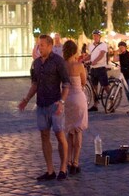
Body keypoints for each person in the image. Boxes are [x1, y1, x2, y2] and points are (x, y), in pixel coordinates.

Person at [18, 34, 71, 181]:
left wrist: (62, 101)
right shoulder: (36, 63)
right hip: (41, 104)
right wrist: (26, 99)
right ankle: (50, 170)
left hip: (55, 104)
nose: (39, 48)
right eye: (38, 45)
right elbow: (35, 84)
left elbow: (66, 83)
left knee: (60, 135)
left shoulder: (58, 61)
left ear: (50, 46)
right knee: (44, 136)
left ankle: (63, 168)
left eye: (42, 45)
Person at [62, 40, 87, 175]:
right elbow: (84, 81)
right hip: (78, 97)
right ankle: (75, 163)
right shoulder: (79, 65)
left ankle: (68, 161)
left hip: (67, 99)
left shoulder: (62, 66)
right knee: (78, 130)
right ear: (75, 51)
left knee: (70, 131)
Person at [87, 30, 108, 112]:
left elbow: (102, 54)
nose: (95, 37)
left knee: (105, 86)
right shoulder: (91, 45)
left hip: (101, 68)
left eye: (97, 36)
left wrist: (95, 61)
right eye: (94, 35)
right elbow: (90, 55)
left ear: (99, 37)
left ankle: (111, 102)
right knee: (94, 87)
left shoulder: (103, 45)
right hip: (93, 69)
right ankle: (95, 105)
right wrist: (82, 60)